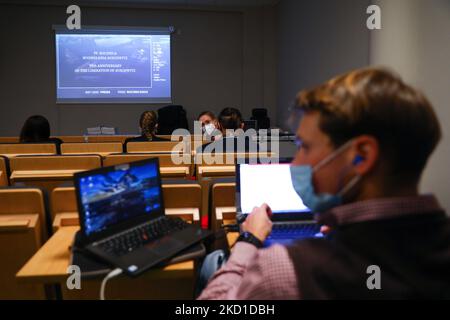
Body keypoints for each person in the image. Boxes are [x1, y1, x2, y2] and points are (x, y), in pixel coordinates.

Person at [199, 67, 450, 299]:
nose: (295, 164)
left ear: (362, 154)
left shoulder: (284, 270)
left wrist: (249, 241)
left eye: (304, 147)